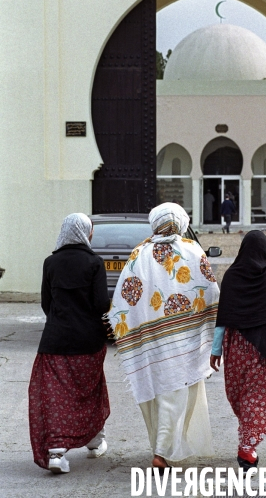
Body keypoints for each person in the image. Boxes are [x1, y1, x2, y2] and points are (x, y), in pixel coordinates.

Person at [108, 202, 219, 472]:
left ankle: (162, 447)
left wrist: (139, 324)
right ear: (181, 222)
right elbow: (212, 292)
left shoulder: (139, 254)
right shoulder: (193, 250)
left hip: (152, 339)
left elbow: (122, 299)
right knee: (177, 393)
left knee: (160, 393)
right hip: (185, 339)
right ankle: (161, 451)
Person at [28, 213, 111, 473]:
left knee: (56, 395)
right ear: (85, 232)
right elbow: (100, 304)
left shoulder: (50, 263)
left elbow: (46, 303)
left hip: (55, 340)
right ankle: (95, 441)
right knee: (89, 391)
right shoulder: (94, 263)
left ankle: (56, 452)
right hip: (89, 340)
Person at [210, 231, 266, 471]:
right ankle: (247, 447)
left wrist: (216, 350)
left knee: (243, 396)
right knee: (256, 398)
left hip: (237, 347)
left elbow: (223, 317)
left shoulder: (232, 276)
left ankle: (246, 445)